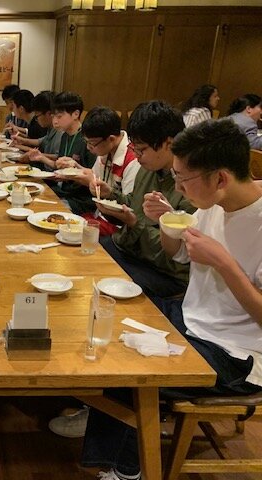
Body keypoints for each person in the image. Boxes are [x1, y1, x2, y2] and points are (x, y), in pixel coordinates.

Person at [80, 118, 262, 480]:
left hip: (237, 353)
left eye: (182, 179)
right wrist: (167, 222)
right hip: (191, 318)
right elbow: (176, 254)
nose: (177, 187)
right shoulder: (212, 201)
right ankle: (105, 424)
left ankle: (128, 469)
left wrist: (224, 263)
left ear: (220, 179)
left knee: (130, 369)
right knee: (105, 318)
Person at [90, 100, 196, 303]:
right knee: (90, 253)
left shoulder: (191, 183)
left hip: (165, 271)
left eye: (142, 150)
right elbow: (134, 202)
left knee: (108, 285)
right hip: (132, 250)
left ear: (169, 143)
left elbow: (180, 254)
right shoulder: (148, 169)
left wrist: (134, 223)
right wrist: (111, 195)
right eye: (134, 149)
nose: (137, 157)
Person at [78, 107, 140, 235]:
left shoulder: (133, 160)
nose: (88, 148)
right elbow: (94, 176)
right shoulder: (105, 149)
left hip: (120, 227)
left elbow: (129, 207)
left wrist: (106, 192)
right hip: (101, 216)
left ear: (111, 139)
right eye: (86, 142)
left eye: (92, 143)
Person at [45, 91, 97, 215]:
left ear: (76, 114)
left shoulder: (88, 139)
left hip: (80, 200)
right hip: (64, 192)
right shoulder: (65, 136)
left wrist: (70, 176)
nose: (55, 121)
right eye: (53, 116)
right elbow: (60, 167)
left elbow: (94, 176)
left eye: (59, 116)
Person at [13, 90, 63, 166]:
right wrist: (23, 141)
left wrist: (35, 155)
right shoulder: (51, 128)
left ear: (49, 114)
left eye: (37, 116)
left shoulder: (60, 132)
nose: (36, 119)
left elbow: (58, 158)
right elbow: (42, 141)